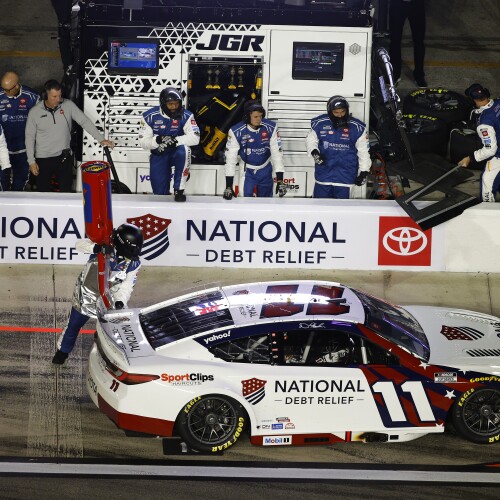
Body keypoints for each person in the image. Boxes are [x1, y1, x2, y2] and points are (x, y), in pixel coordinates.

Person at [52, 223, 143, 365]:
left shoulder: (134, 263)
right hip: (85, 296)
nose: (135, 253)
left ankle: (114, 359)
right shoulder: (104, 244)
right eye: (133, 249)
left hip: (109, 300)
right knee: (72, 327)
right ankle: (62, 353)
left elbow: (127, 286)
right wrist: (97, 248)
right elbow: (79, 245)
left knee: (114, 333)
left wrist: (120, 301)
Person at [25, 79, 115, 193]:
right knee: (43, 193)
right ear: (45, 95)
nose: (58, 99)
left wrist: (101, 139)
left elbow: (84, 121)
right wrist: (31, 161)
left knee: (67, 192)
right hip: (43, 159)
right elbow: (29, 137)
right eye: (54, 96)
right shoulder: (35, 112)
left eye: (59, 95)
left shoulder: (68, 105)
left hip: (64, 157)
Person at [139, 87, 200, 202]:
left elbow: (195, 138)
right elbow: (143, 143)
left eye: (177, 103)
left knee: (184, 150)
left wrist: (174, 141)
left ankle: (179, 189)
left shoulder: (187, 115)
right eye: (170, 104)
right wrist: (158, 140)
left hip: (177, 152)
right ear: (163, 104)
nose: (174, 107)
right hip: (159, 154)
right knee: (159, 195)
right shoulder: (149, 116)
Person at [306, 95, 371, 199]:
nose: (340, 115)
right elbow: (310, 141)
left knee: (344, 208)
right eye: (336, 112)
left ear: (347, 110)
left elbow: (363, 152)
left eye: (342, 112)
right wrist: (314, 152)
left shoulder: (357, 127)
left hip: (346, 178)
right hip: (323, 176)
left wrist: (364, 172)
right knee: (319, 207)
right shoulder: (319, 123)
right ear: (330, 111)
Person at [223, 100, 286, 199]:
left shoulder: (271, 127)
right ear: (247, 117)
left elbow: (277, 153)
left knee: (267, 202)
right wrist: (228, 186)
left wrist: (280, 180)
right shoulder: (236, 131)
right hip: (247, 171)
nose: (259, 119)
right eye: (255, 117)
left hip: (265, 169)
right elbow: (230, 159)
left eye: (261, 116)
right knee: (244, 201)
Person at [458, 83, 500, 202]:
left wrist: (470, 158)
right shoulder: (498, 102)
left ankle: (487, 210)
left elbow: (490, 150)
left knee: (487, 181)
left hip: (498, 155)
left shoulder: (485, 122)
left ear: (473, 100)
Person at [0, 71, 39, 191]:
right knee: (2, 182)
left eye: (7, 90)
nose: (4, 92)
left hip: (23, 150)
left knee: (20, 180)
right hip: (3, 150)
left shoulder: (32, 97)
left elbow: (40, 124)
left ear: (16, 86)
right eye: (3, 88)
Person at [388, 0, 427, 88]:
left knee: (419, 41)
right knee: (395, 40)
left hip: (417, 4)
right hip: (397, 4)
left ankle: (419, 75)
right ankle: (395, 73)